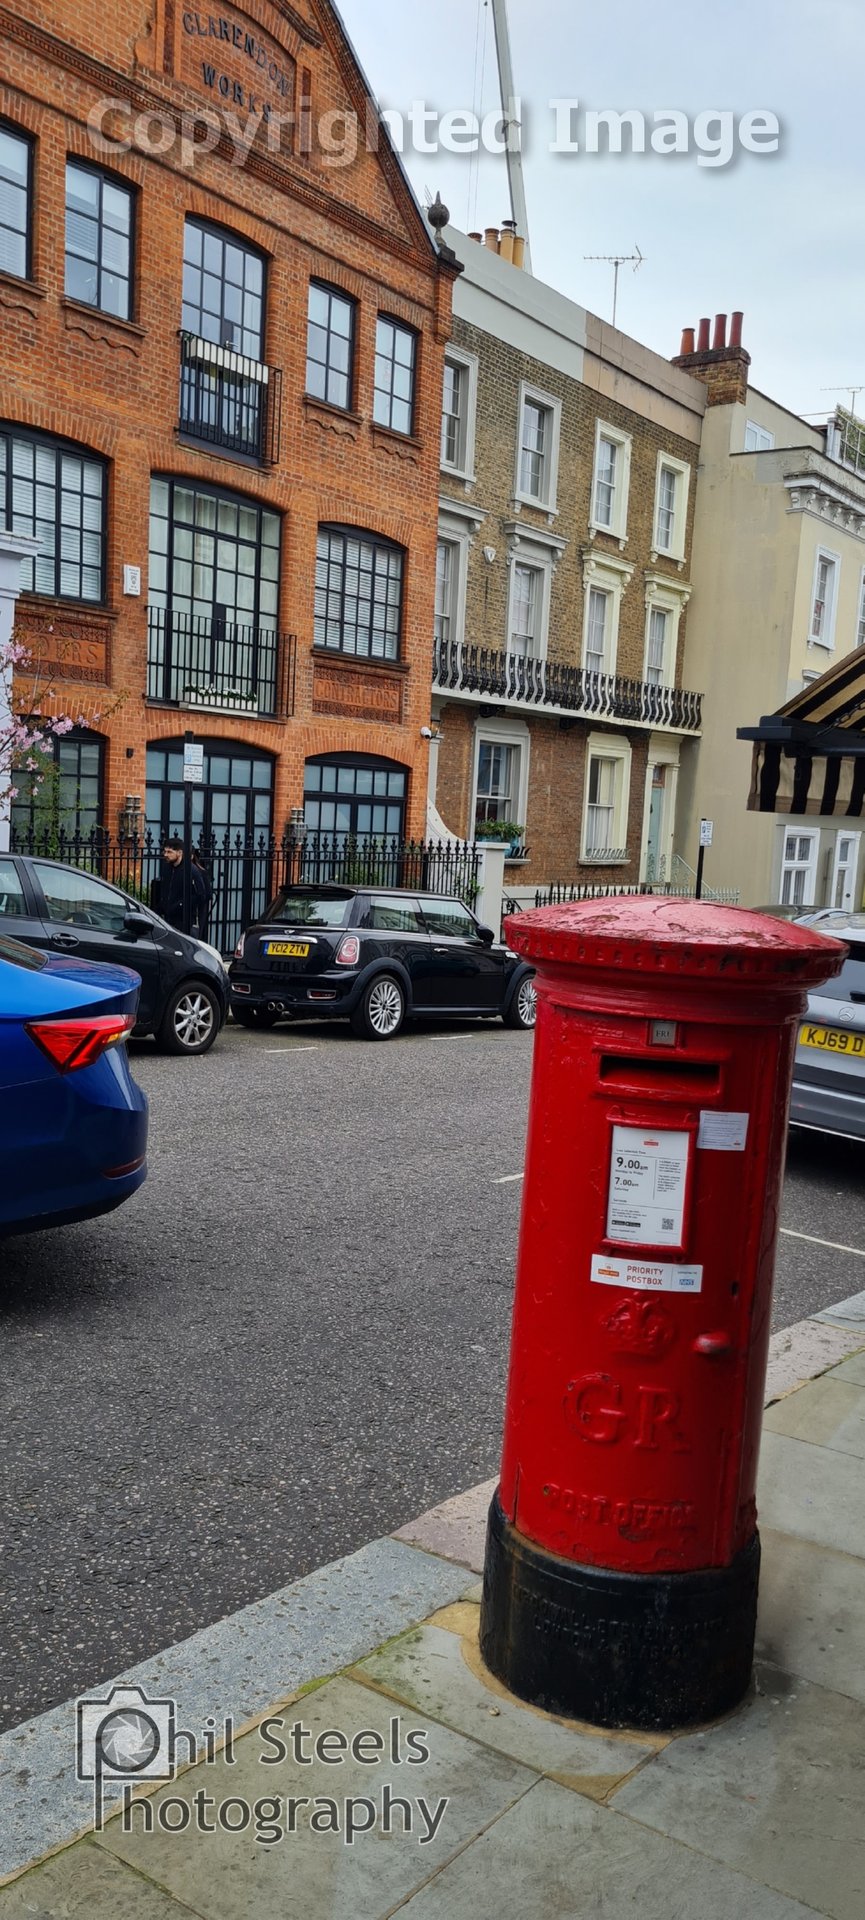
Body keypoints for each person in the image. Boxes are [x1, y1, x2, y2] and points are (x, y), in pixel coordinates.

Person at [157, 837, 207, 934]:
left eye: (169, 852)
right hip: (168, 919)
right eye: (165, 851)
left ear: (179, 853)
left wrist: (181, 905)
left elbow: (201, 895)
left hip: (184, 921)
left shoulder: (191, 871)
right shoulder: (167, 868)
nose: (165, 855)